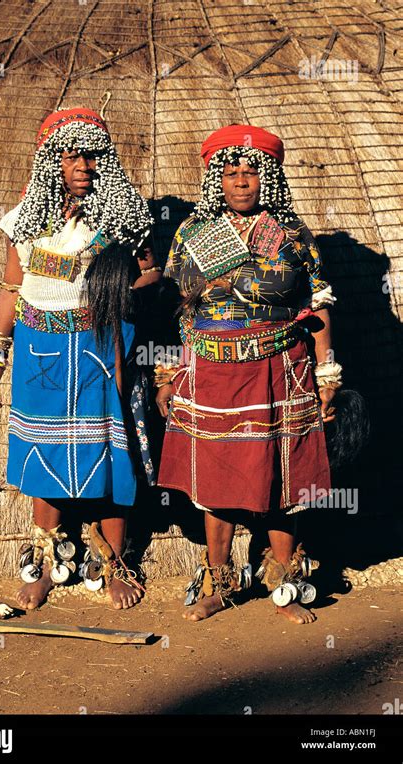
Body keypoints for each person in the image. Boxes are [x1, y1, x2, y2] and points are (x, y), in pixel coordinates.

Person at [156, 125, 342, 624]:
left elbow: (317, 305)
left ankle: (285, 580)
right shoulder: (192, 234)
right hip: (211, 368)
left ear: (268, 178)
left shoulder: (291, 236)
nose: (241, 181)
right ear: (218, 179)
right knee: (216, 475)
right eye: (231, 172)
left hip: (281, 368)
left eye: (251, 172)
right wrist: (167, 374)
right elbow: (174, 310)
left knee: (285, 475)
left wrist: (327, 371)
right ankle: (221, 582)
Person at [0, 108, 160, 611]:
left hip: (103, 347)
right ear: (50, 162)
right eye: (73, 155)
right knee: (44, 456)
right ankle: (45, 560)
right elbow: (12, 288)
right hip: (42, 349)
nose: (84, 165)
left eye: (93, 155)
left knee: (108, 448)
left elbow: (153, 274)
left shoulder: (123, 220)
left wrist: (117, 284)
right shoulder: (26, 222)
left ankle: (114, 562)